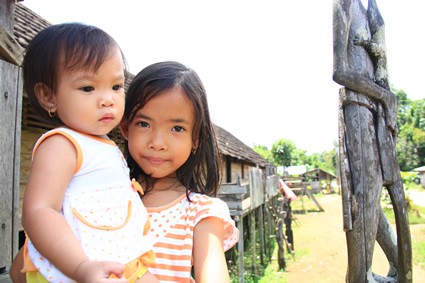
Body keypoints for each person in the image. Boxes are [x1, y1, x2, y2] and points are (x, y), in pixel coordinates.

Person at [16, 22, 158, 283]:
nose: (108, 99)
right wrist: (81, 267)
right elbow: (40, 210)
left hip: (116, 257)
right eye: (88, 88)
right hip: (76, 265)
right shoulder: (63, 144)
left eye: (116, 86)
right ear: (48, 96)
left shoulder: (104, 144)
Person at [119, 61, 239, 282]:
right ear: (126, 127)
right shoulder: (107, 197)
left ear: (195, 138)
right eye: (144, 123)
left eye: (177, 128)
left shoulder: (201, 213)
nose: (157, 143)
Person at [333, 0, 411, 282]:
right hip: (359, 111)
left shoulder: (371, 13)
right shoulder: (344, 5)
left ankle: (398, 268)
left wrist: (385, 98)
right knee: (364, 195)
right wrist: (383, 95)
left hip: (378, 115)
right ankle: (359, 274)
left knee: (380, 195)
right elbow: (340, 72)